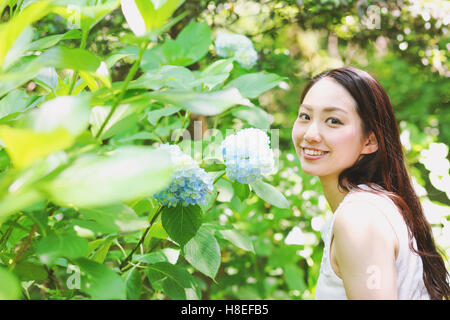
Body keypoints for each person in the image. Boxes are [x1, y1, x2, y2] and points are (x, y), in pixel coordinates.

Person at [291, 66, 449, 300]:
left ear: (369, 141)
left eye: (333, 121)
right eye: (305, 116)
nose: (311, 134)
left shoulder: (359, 220)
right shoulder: (373, 206)